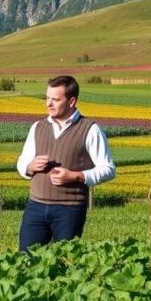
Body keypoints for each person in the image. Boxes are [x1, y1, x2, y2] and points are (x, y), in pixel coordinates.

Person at [17, 75, 116, 252]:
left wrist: (75, 176)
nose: (48, 104)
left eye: (55, 99)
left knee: (64, 261)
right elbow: (22, 163)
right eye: (47, 98)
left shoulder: (90, 129)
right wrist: (29, 167)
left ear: (72, 101)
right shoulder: (38, 127)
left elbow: (108, 169)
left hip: (69, 209)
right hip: (36, 206)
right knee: (25, 259)